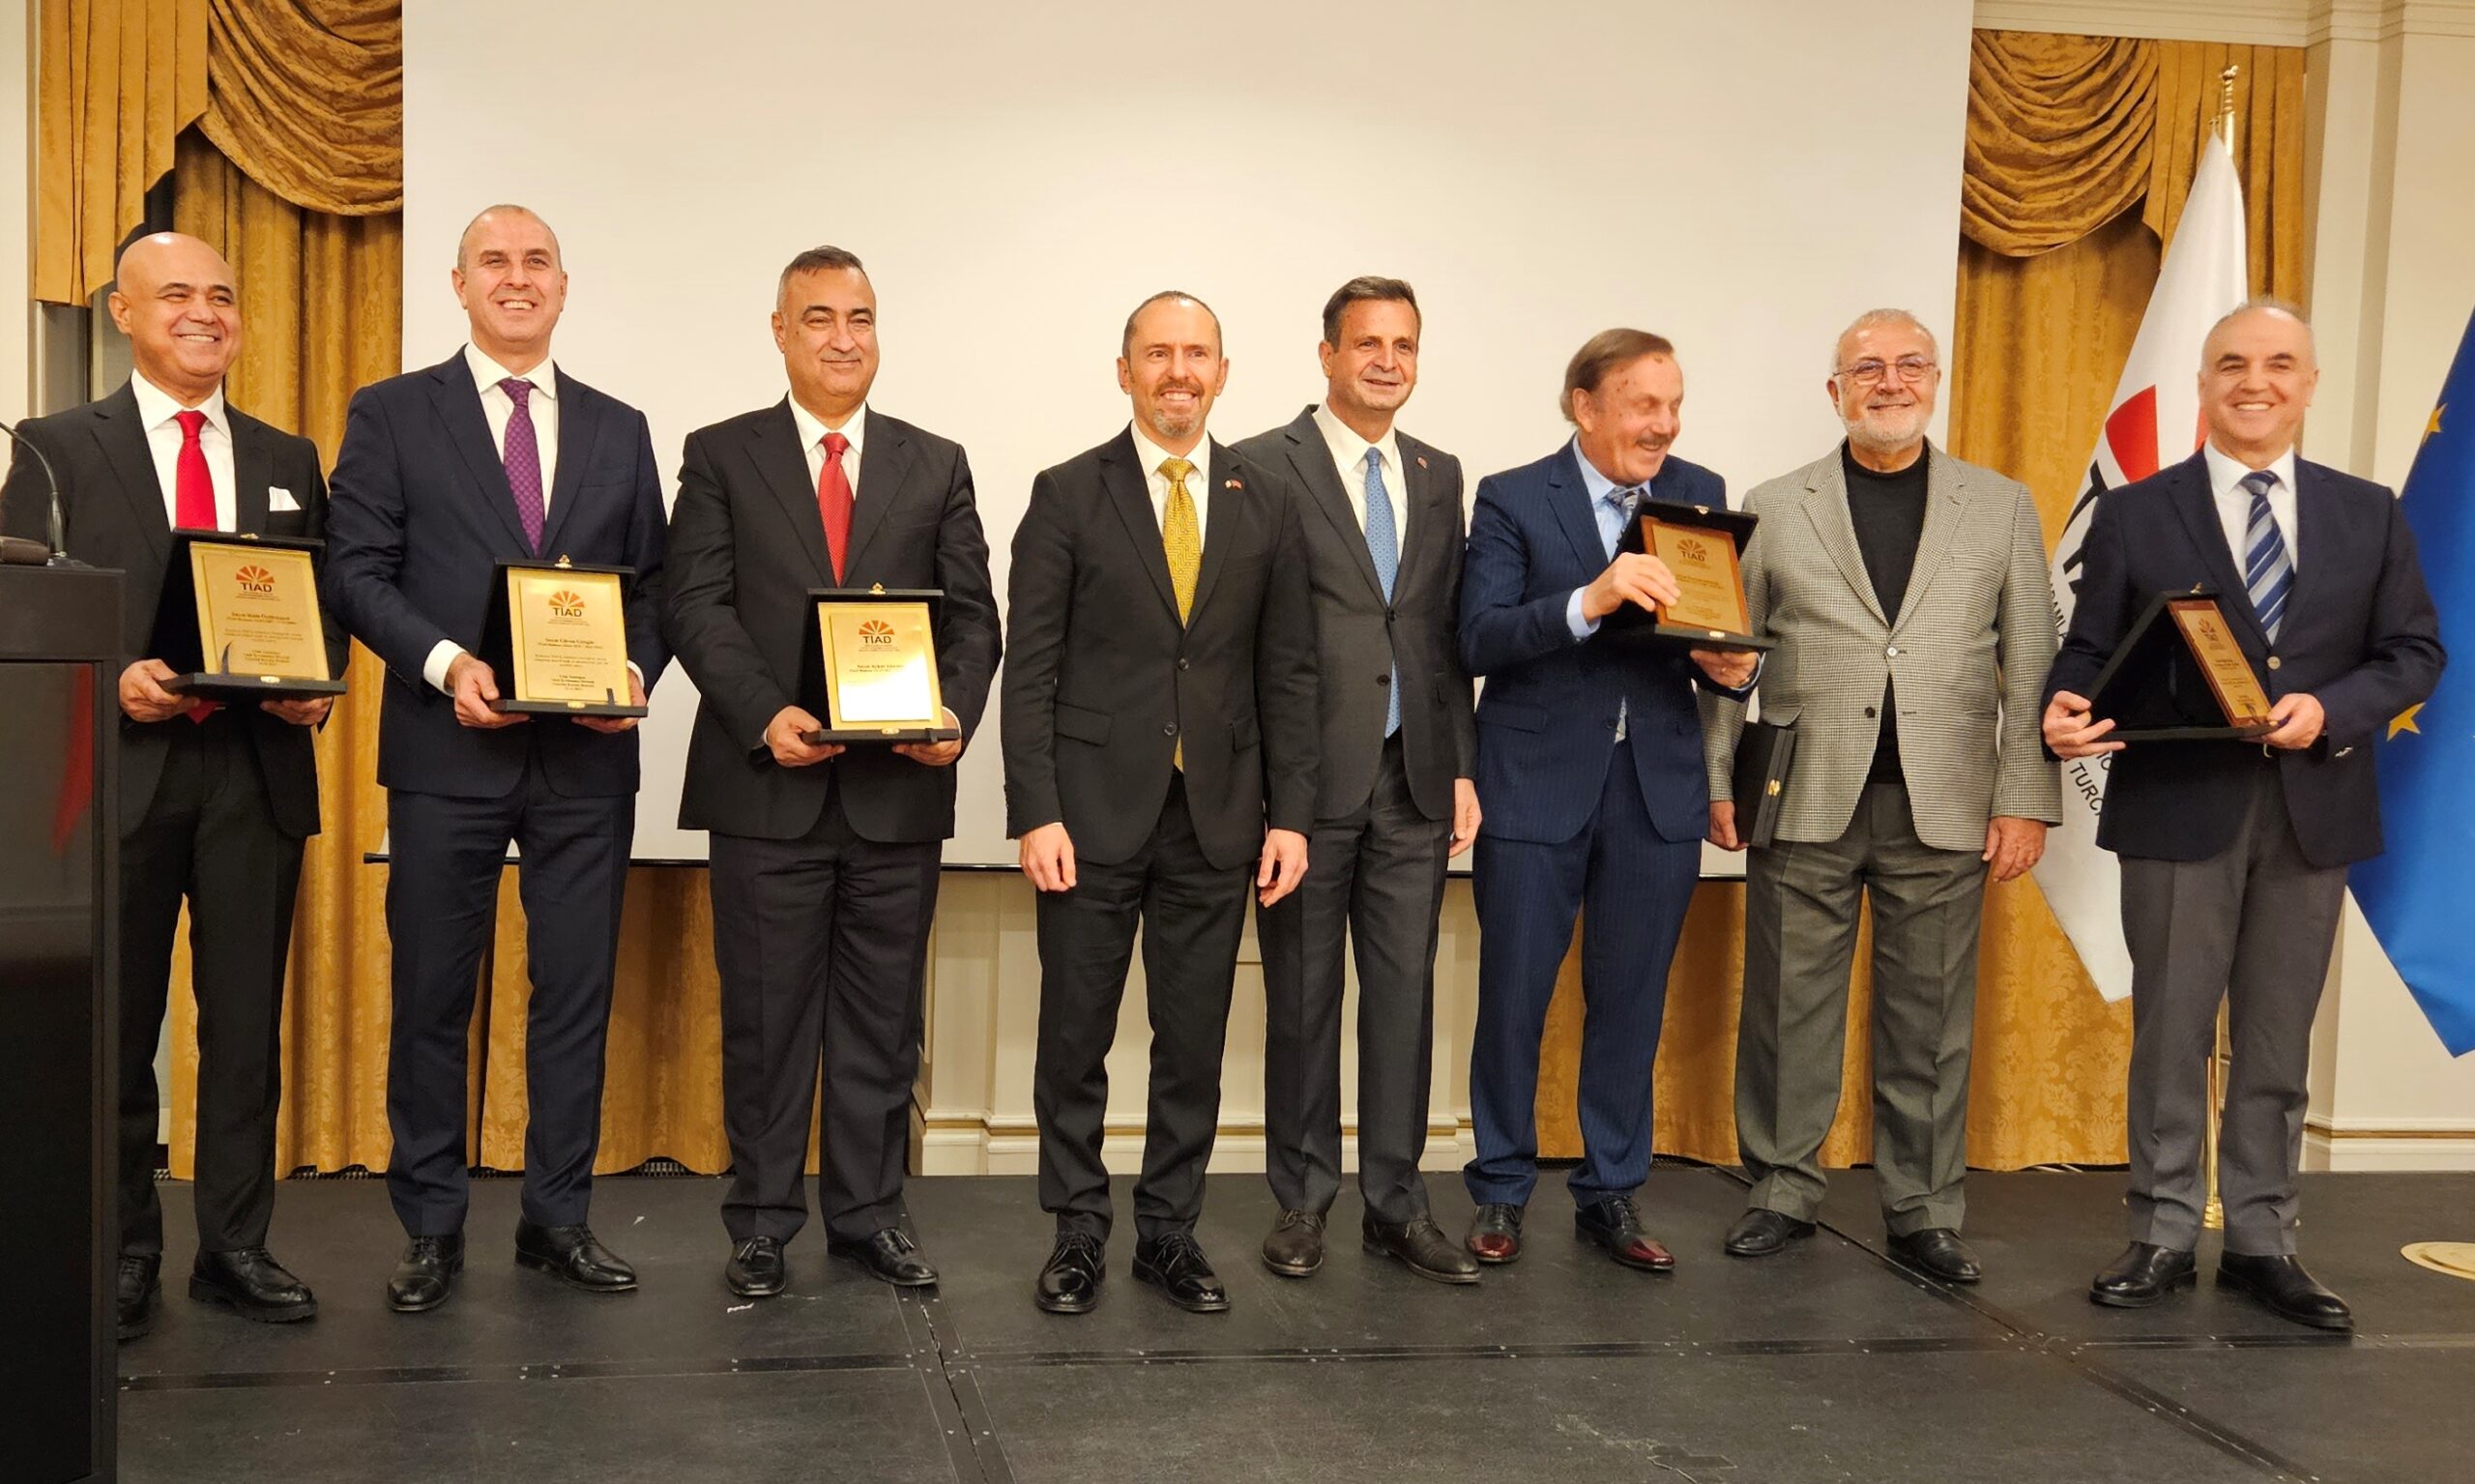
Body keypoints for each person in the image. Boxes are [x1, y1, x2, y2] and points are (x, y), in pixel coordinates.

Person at [2042, 300, 2442, 1331]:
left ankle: (2264, 1239)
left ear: (2308, 384)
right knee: (2171, 1031)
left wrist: (2331, 709)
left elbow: (2413, 652)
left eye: (2277, 364)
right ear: (2202, 384)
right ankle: (2163, 1231)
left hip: (2313, 809)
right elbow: (2090, 647)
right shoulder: (2137, 511)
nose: (2253, 381)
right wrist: (2064, 701)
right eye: (2230, 363)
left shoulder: (2369, 512)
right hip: (2177, 805)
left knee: (2275, 1036)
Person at [324, 204, 670, 1313]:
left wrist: (634, 671)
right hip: (445, 750)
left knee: (573, 995)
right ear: (460, 284)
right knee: (433, 991)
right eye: (494, 262)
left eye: (536, 262)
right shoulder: (391, 413)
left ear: (562, 285)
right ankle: (430, 1224)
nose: (516, 279)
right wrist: (444, 664)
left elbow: (655, 585)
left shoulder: (619, 426)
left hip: (586, 763)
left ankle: (556, 1217)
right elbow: (355, 568)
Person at [2, 232, 343, 1339]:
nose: (206, 312)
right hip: (119, 775)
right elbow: (20, 614)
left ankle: (236, 1246)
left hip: (255, 777)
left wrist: (314, 684)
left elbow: (321, 600)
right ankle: (123, 1249)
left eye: (223, 295)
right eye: (179, 294)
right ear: (123, 311)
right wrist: (109, 680)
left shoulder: (288, 454)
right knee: (118, 1030)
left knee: (244, 1032)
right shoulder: (54, 449)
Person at [664, 246, 1000, 1297]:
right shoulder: (721, 454)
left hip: (899, 793)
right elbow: (694, 605)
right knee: (767, 1024)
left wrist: (952, 713)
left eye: (860, 317)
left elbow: (974, 619)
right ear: (780, 331)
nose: (843, 338)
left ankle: (868, 1216)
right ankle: (763, 1220)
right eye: (818, 318)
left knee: (882, 1025)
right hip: (768, 786)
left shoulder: (935, 461)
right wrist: (765, 712)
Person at [1705, 308, 2059, 1283]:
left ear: (1935, 380)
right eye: (1867, 368)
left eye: (1909, 365)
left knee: (1929, 1022)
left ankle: (1923, 1209)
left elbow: (2032, 660)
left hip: (1946, 804)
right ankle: (1781, 1188)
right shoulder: (1775, 504)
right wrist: (1717, 779)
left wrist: (2024, 797)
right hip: (1802, 795)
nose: (1889, 382)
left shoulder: (2000, 506)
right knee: (1787, 1009)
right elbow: (1727, 655)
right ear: (1835, 391)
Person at [1003, 291, 1317, 1315]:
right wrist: (1034, 809)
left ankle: (1168, 1232)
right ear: (1124, 370)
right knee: (1074, 1038)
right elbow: (1030, 668)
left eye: (1196, 354)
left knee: (1192, 1041)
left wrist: (1291, 815)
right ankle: (1078, 1231)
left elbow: (1289, 672)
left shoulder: (1267, 499)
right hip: (1087, 816)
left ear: (1221, 372)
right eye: (1157, 353)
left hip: (1217, 819)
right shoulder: (1066, 492)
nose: (1178, 371)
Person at [1457, 330, 1756, 1272]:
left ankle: (1611, 1190)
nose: (1664, 425)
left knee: (1630, 999)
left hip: (1656, 790)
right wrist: (1589, 598)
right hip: (1533, 784)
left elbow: (1709, 633)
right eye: (1643, 404)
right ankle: (1500, 1187)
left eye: (1673, 404)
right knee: (1514, 995)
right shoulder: (1512, 496)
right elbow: (1477, 636)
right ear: (1584, 406)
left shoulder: (1699, 491)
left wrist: (1731, 667)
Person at [1231, 276, 1479, 1285]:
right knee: (1301, 998)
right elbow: (1243, 636)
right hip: (1304, 786)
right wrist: (1264, 793)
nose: (1387, 360)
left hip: (1414, 778)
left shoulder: (1438, 471)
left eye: (1403, 344)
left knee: (1404, 998)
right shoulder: (1259, 464)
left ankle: (1397, 1205)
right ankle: (1301, 1201)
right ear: (1327, 353)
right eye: (1367, 342)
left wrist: (1461, 765)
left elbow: (1442, 632)